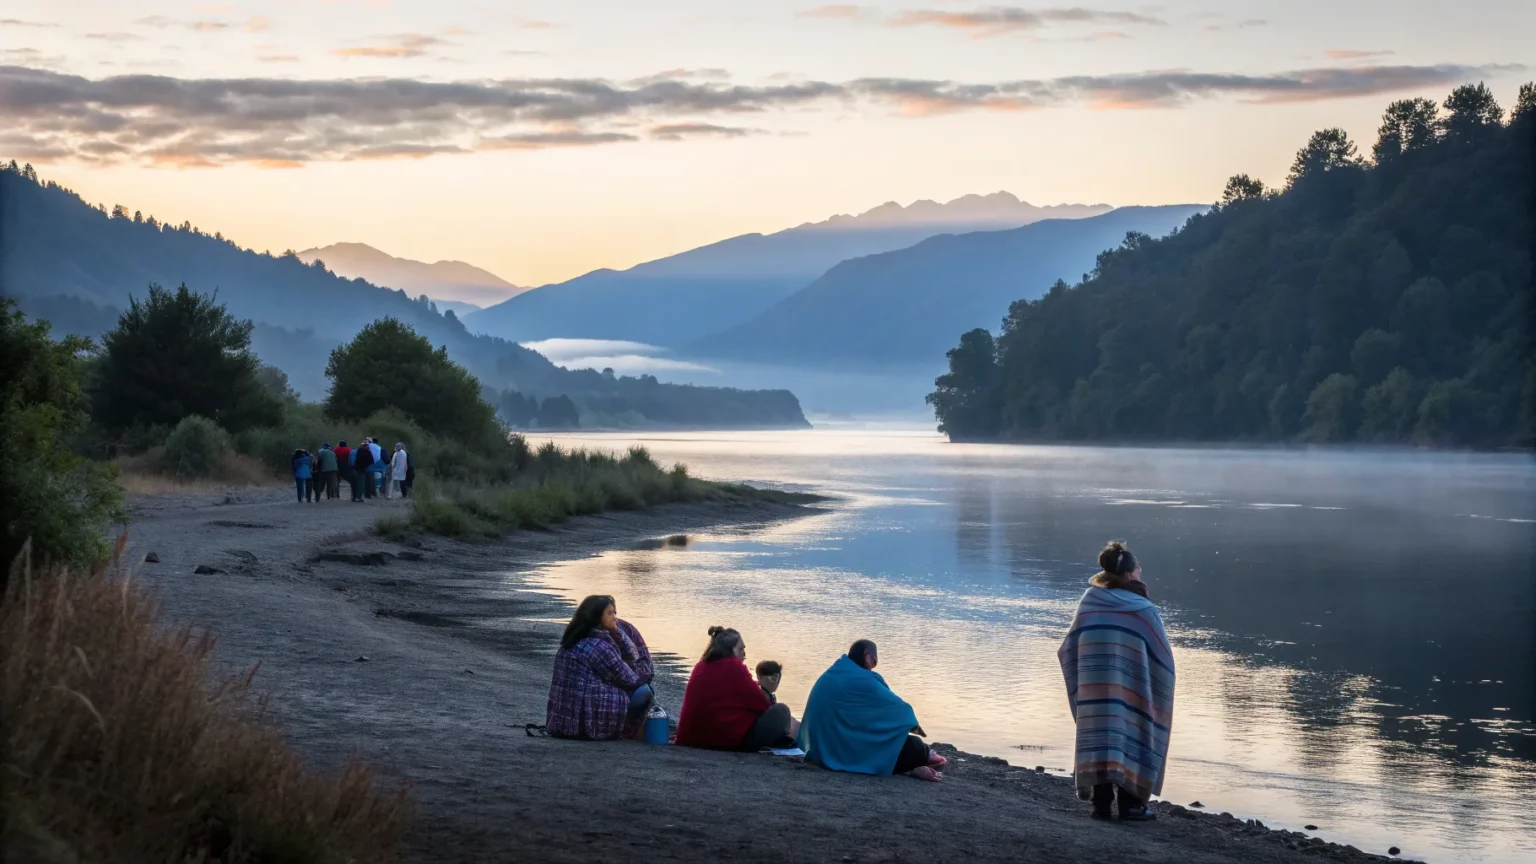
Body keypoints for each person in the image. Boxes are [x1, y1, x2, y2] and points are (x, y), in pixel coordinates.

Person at [1058, 540, 1175, 822]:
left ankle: (1101, 806)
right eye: (1138, 567)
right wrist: (1156, 688)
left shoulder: (1088, 603)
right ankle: (1131, 806)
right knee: (1134, 733)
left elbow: (1068, 648)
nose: (1140, 571)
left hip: (1095, 690)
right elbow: (1164, 660)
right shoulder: (1143, 610)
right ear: (1131, 573)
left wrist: (1085, 679)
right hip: (1133, 691)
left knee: (1100, 735)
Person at [797, 639, 944, 781]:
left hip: (821, 751)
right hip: (843, 752)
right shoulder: (865, 680)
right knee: (915, 746)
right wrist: (915, 728)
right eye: (874, 661)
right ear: (867, 657)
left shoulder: (833, 672)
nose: (874, 665)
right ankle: (918, 761)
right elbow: (902, 710)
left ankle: (914, 764)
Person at [546, 595, 655, 740]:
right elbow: (630, 679)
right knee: (645, 691)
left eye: (615, 613)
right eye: (610, 613)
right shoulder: (600, 646)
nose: (615, 618)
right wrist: (618, 636)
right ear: (597, 618)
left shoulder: (571, 640)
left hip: (564, 719)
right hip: (587, 716)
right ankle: (629, 732)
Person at [676, 627, 798, 752]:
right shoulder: (734, 666)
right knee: (782, 711)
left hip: (692, 738)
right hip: (725, 740)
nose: (743, 654)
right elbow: (762, 704)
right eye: (740, 649)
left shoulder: (700, 666)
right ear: (730, 650)